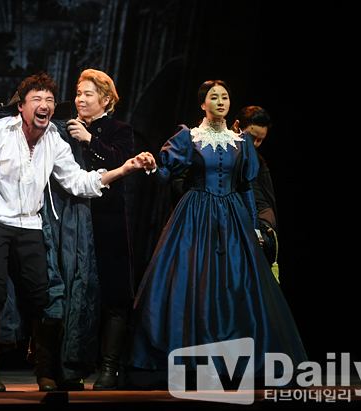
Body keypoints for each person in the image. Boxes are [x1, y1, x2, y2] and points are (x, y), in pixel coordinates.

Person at [0, 72, 152, 392]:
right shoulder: (0, 130)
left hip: (38, 224)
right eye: (36, 99)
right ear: (21, 105)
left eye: (49, 100)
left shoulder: (57, 137)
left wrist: (122, 168)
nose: (44, 105)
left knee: (46, 296)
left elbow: (78, 180)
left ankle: (48, 370)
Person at [124, 80, 306, 389]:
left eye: (225, 97)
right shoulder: (188, 137)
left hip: (232, 219)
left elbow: (246, 188)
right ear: (202, 103)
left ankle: (237, 364)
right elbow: (166, 176)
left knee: (237, 285)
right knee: (192, 283)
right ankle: (187, 364)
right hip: (195, 217)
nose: (221, 102)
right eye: (214, 97)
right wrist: (153, 167)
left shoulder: (240, 141)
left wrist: (253, 228)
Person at [66, 69, 134, 390]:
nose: (80, 99)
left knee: (112, 293)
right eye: (78, 93)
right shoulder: (67, 127)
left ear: (105, 99)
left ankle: (109, 367)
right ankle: (74, 365)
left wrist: (89, 139)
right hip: (73, 217)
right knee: (75, 292)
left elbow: (119, 160)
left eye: (87, 94)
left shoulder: (120, 129)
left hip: (108, 220)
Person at [231, 106, 278, 267]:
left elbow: (262, 202)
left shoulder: (257, 162)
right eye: (252, 138)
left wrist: (263, 227)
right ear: (237, 126)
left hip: (240, 231)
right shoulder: (211, 144)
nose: (256, 144)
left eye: (260, 140)